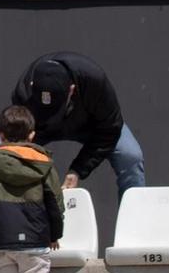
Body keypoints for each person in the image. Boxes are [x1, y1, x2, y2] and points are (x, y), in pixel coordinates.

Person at [10, 52, 145, 195]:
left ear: (71, 89)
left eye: (57, 109)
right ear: (32, 86)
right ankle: (0, 215)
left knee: (130, 155)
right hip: (40, 129)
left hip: (91, 127)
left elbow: (110, 130)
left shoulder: (94, 81)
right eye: (46, 110)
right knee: (2, 156)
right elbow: (16, 135)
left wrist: (77, 170)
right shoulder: (23, 92)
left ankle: (134, 215)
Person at [0, 105, 68, 273]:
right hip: (35, 241)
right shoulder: (43, 163)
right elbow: (55, 203)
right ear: (31, 135)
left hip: (1, 243)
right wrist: (54, 234)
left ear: (0, 134)